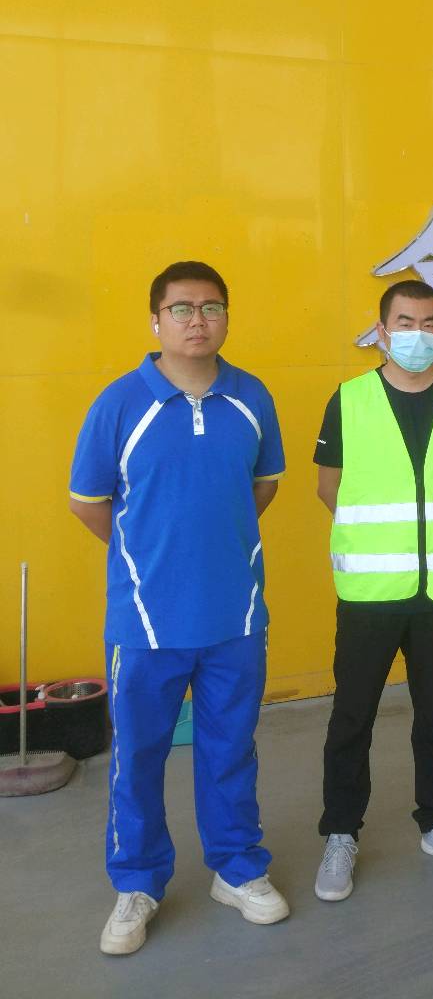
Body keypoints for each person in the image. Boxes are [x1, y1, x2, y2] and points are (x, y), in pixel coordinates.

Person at [69, 260, 290, 956]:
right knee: (137, 757)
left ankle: (237, 868)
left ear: (226, 317)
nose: (199, 320)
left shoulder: (251, 397)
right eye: (183, 308)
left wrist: (212, 549)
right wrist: (149, 556)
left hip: (236, 618)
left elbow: (264, 486)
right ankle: (137, 883)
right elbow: (88, 502)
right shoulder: (119, 404)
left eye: (212, 307)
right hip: (145, 623)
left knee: (230, 750)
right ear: (155, 320)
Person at [313, 279, 433, 901]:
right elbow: (328, 485)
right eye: (405, 323)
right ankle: (341, 833)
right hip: (370, 590)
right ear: (382, 330)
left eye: (429, 323)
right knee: (352, 715)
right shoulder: (350, 398)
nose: (418, 334)